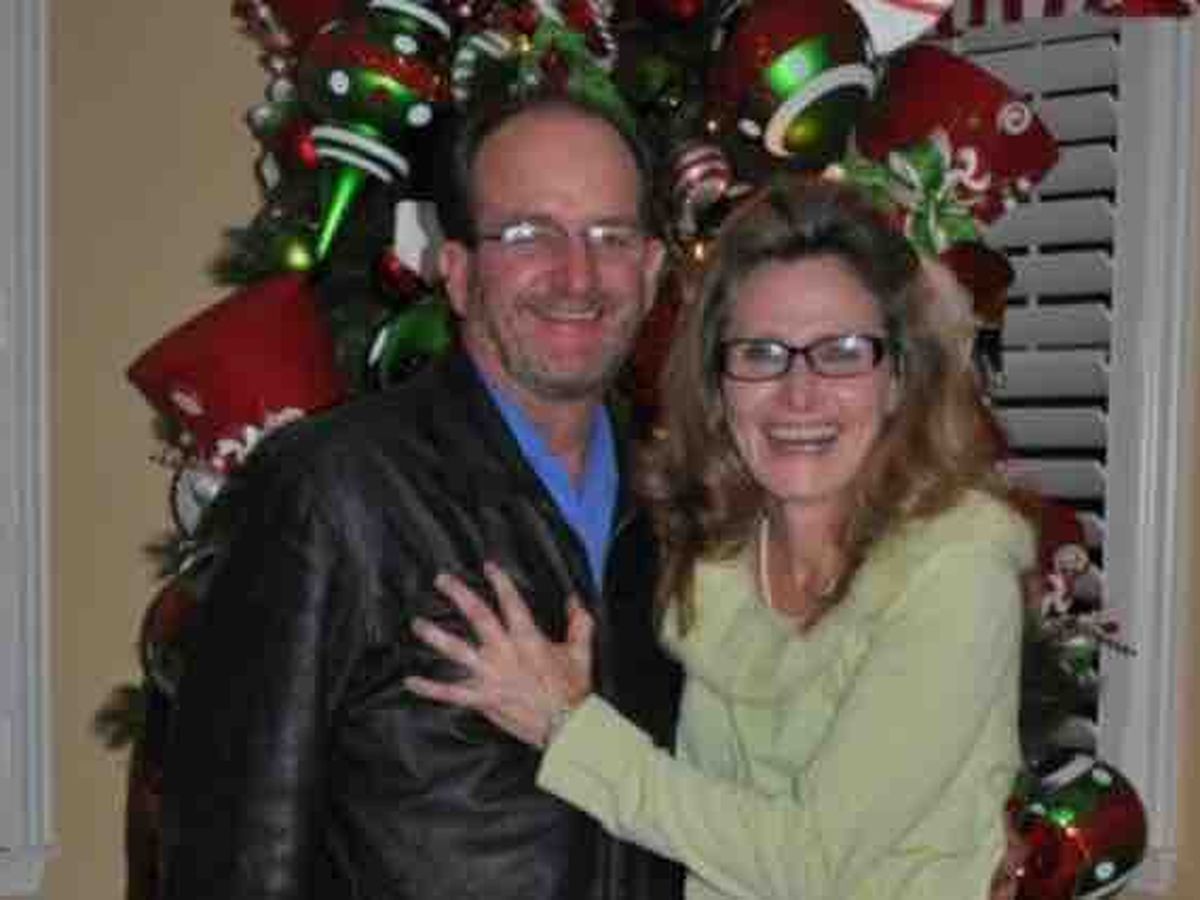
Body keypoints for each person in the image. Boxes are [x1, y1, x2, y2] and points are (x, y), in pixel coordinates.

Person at [405, 177, 1036, 899]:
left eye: (841, 351)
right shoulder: (707, 554)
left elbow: (813, 863)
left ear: (897, 377)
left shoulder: (954, 571)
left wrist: (568, 728)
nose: (799, 394)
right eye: (761, 353)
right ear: (717, 384)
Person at [158, 90, 685, 900]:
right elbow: (235, 853)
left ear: (649, 271)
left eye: (609, 236)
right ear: (459, 271)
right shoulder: (335, 494)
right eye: (529, 234)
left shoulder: (680, 508)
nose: (577, 275)